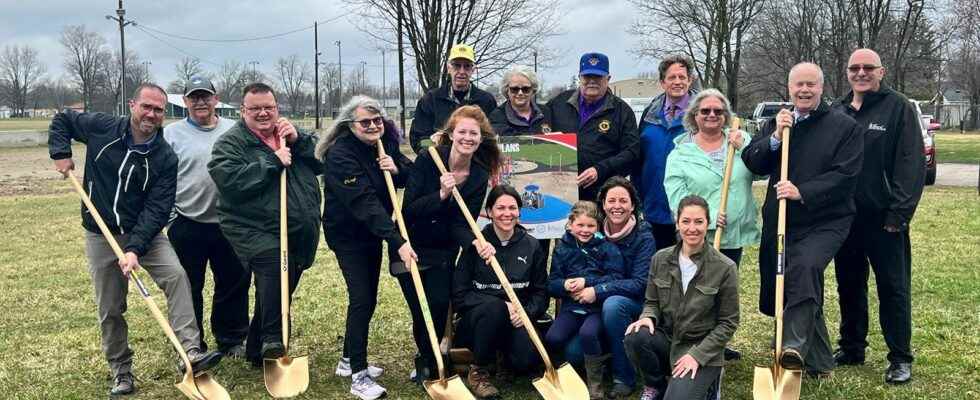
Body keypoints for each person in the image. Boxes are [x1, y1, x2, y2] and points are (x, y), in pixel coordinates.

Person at [49, 83, 222, 396]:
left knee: (176, 276)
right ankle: (121, 372)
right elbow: (63, 119)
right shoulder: (102, 128)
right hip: (101, 233)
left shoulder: (165, 157)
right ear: (132, 105)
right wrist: (61, 153)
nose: (152, 114)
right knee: (111, 306)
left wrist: (134, 249)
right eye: (147, 107)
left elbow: (157, 210)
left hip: (146, 233)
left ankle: (191, 353)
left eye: (158, 110)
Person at [741, 63, 864, 378]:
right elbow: (753, 160)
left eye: (811, 84)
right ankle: (821, 363)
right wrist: (776, 139)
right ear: (789, 88)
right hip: (782, 219)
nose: (805, 90)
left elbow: (846, 175)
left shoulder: (844, 126)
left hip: (825, 219)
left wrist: (803, 191)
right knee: (790, 282)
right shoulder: (779, 122)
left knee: (805, 268)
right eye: (799, 85)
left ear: (821, 88)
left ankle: (790, 347)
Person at [207, 83, 321, 370]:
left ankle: (256, 349)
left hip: (296, 230)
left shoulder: (288, 136)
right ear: (243, 111)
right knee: (274, 267)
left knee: (283, 283)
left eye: (268, 107)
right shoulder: (231, 142)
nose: (263, 113)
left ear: (277, 108)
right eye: (255, 108)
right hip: (251, 227)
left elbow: (323, 160)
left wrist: (299, 140)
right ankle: (273, 340)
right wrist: (272, 162)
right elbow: (229, 182)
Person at [831, 48, 925, 384]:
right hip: (846, 218)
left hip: (885, 219)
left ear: (881, 72)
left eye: (868, 68)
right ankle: (852, 347)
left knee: (893, 289)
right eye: (854, 68)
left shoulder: (897, 107)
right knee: (849, 285)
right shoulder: (838, 110)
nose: (861, 73)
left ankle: (900, 357)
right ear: (846, 72)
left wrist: (899, 212)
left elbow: (911, 163)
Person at [317, 95, 416, 400]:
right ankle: (359, 376)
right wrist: (397, 241)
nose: (373, 126)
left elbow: (413, 175)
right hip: (348, 235)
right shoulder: (340, 155)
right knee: (361, 298)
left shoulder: (383, 145)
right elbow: (366, 204)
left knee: (368, 297)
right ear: (350, 124)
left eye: (377, 121)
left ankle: (347, 360)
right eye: (365, 122)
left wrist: (396, 168)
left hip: (373, 233)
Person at [402, 105, 500, 385]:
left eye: (474, 133)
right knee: (422, 307)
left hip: (444, 249)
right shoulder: (428, 159)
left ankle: (433, 358)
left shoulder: (479, 175)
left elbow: (461, 222)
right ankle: (427, 360)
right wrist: (442, 193)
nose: (468, 137)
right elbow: (409, 210)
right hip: (411, 243)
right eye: (463, 132)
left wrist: (474, 242)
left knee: (440, 303)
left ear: (481, 139)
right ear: (451, 134)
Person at [664, 88, 759, 362]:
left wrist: (746, 148)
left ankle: (717, 341)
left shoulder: (740, 141)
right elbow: (676, 195)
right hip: (698, 235)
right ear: (694, 116)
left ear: (726, 116)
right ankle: (690, 341)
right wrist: (707, 216)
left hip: (733, 233)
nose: (712, 115)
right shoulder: (681, 152)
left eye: (718, 111)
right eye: (705, 111)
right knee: (696, 289)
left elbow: (762, 168)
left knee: (724, 291)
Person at [163, 76, 250, 358]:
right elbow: (161, 179)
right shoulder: (171, 134)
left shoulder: (235, 129)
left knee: (234, 283)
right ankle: (191, 345)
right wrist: (172, 217)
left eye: (205, 96)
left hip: (230, 222)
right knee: (189, 287)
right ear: (185, 101)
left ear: (216, 98)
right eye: (194, 97)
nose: (200, 101)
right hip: (188, 221)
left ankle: (232, 338)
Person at [623, 195, 739, 400]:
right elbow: (652, 302)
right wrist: (648, 316)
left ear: (708, 223)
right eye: (686, 221)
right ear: (677, 223)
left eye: (699, 222)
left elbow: (728, 323)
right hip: (668, 340)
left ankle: (711, 381)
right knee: (636, 336)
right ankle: (656, 385)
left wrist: (697, 356)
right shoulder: (660, 259)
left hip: (702, 349)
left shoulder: (725, 267)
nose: (692, 228)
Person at [452, 184, 547, 398]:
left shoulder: (532, 246)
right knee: (495, 307)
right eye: (500, 208)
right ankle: (479, 373)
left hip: (516, 320)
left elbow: (541, 293)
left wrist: (525, 312)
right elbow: (459, 295)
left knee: (525, 360)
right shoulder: (476, 246)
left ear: (519, 211)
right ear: (489, 212)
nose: (507, 214)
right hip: (476, 323)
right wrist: (503, 306)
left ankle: (504, 358)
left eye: (512, 208)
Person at [545, 200, 625, 399]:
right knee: (553, 338)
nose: (585, 230)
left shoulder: (607, 248)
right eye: (580, 225)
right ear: (570, 224)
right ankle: (562, 376)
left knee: (588, 333)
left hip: (596, 308)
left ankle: (595, 386)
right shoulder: (562, 247)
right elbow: (552, 282)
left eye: (591, 225)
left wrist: (587, 283)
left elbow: (616, 277)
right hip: (571, 308)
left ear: (597, 226)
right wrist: (564, 285)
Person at [546, 52, 640, 201]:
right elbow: (539, 130)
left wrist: (600, 169)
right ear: (579, 77)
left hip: (601, 194)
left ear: (608, 79)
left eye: (597, 77)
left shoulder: (622, 111)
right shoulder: (558, 103)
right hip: (561, 192)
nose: (592, 81)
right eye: (587, 76)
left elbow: (632, 153)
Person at [635, 55, 699, 250]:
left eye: (682, 77)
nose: (677, 82)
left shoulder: (703, 113)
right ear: (663, 82)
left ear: (690, 80)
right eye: (672, 78)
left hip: (690, 209)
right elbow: (639, 158)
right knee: (659, 269)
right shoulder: (649, 114)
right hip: (654, 205)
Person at [409, 43, 498, 154]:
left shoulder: (486, 101)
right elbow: (417, 141)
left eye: (467, 66)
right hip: (439, 167)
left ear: (473, 70)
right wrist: (433, 144)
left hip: (476, 166)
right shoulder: (429, 101)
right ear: (448, 68)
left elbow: (493, 140)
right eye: (456, 65)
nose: (461, 71)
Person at [489, 65, 552, 136]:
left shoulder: (546, 112)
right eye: (514, 89)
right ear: (507, 90)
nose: (520, 93)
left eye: (526, 89)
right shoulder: (497, 116)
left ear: (533, 90)